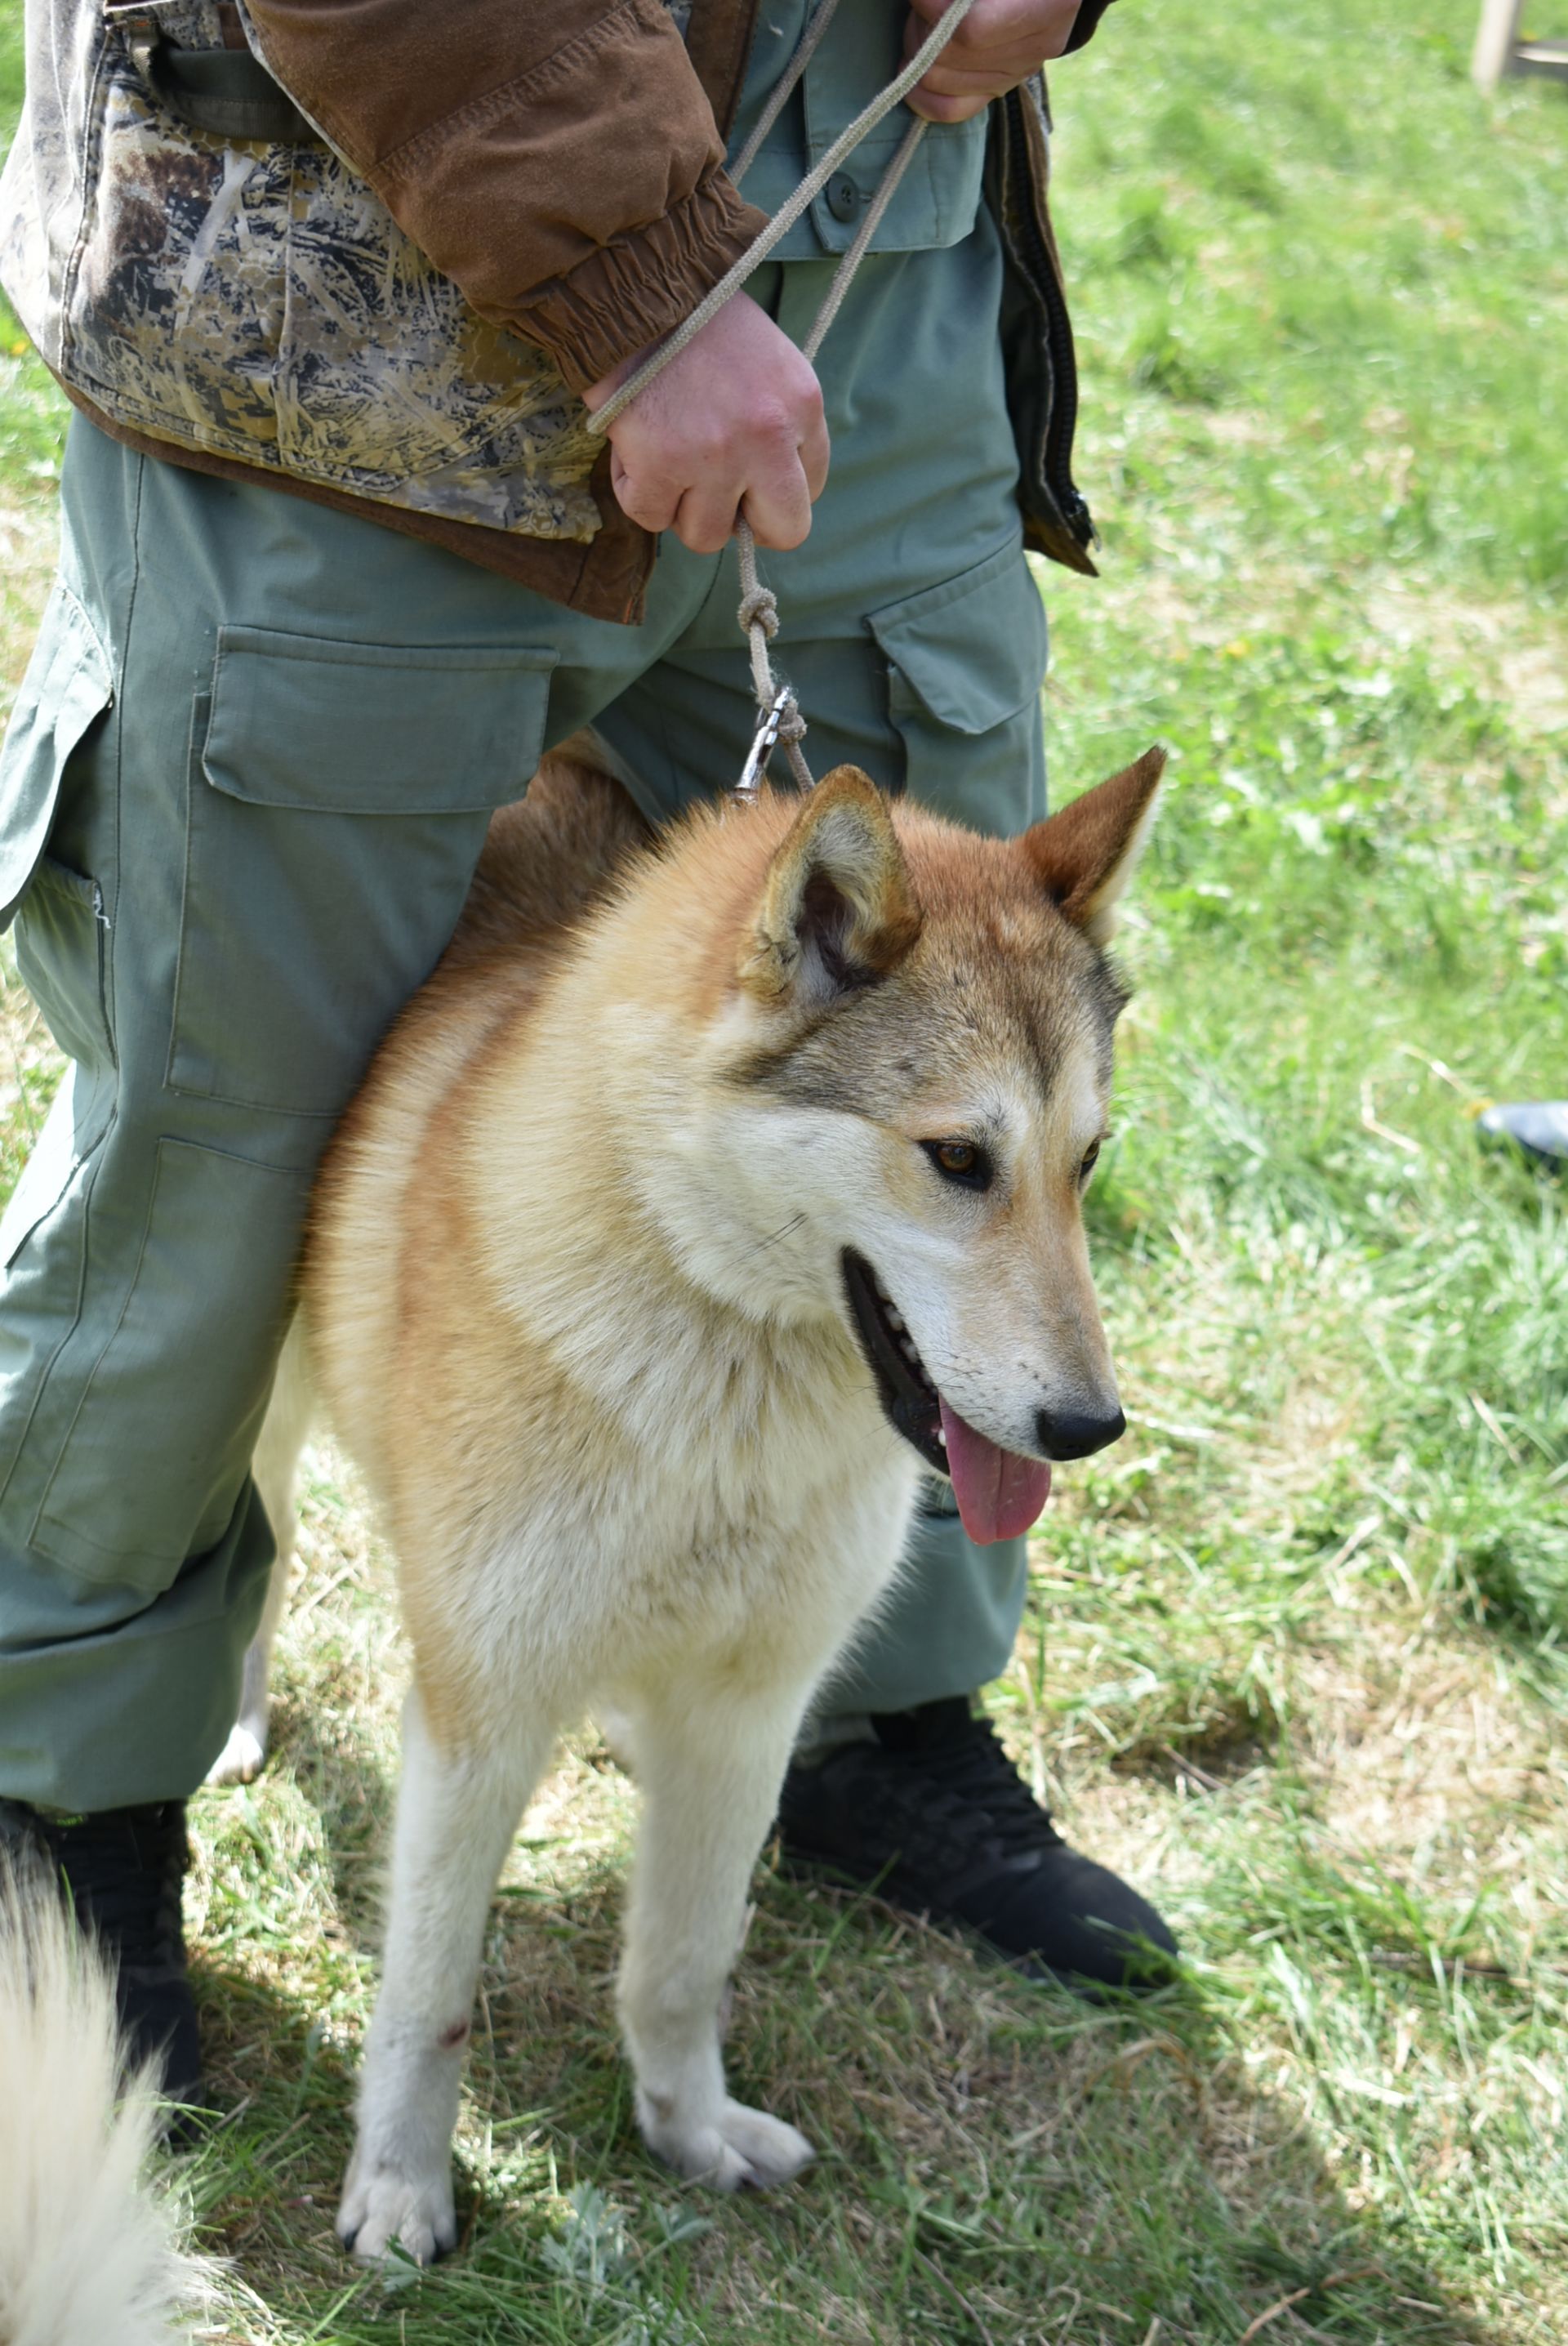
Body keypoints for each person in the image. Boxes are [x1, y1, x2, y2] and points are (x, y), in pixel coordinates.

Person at [0, 0, 1175, 2111]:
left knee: (935, 1038)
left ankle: (860, 1708)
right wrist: (634, 267)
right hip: (351, 267)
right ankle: (63, 1786)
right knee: (229, 1116)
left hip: (872, 222)